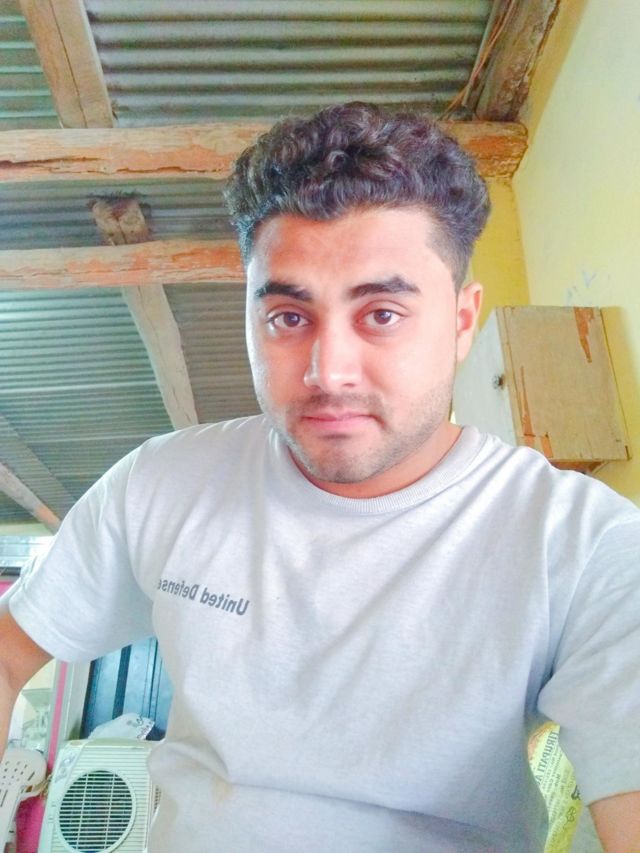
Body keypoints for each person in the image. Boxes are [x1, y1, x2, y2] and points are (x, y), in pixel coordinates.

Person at [1, 102, 639, 852]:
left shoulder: (586, 545)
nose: (327, 372)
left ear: (462, 322)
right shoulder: (161, 485)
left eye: (383, 314)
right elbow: (10, 652)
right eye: (288, 317)